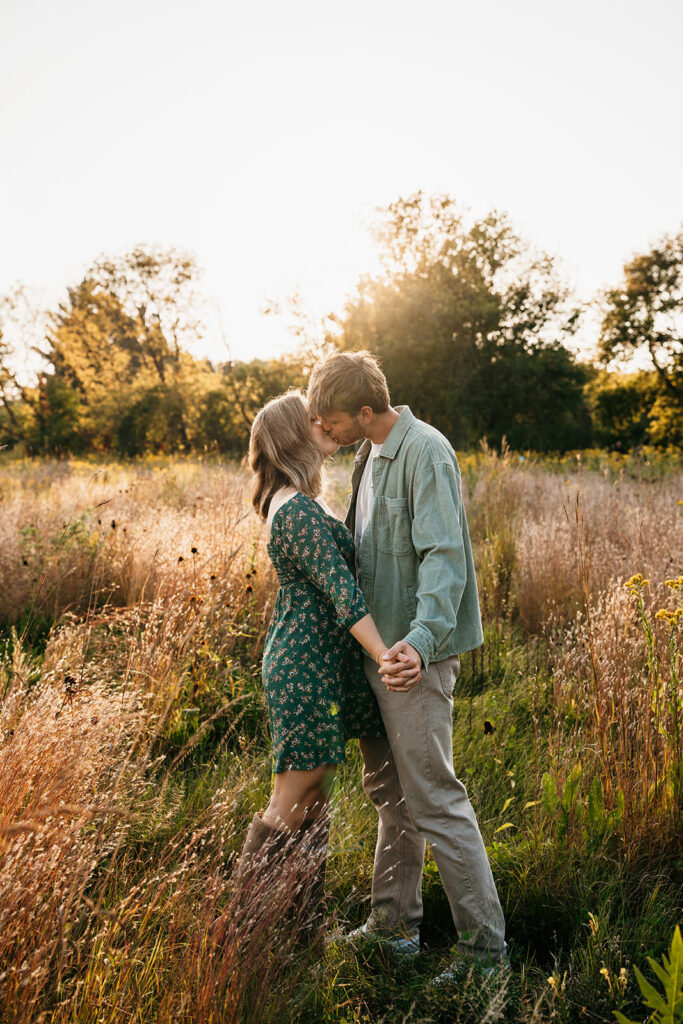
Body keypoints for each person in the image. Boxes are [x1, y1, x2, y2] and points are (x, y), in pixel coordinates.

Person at [306, 351, 508, 978]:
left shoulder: (426, 452)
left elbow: (445, 560)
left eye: (331, 420)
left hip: (413, 659)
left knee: (436, 800)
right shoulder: (368, 455)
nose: (324, 430)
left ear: (365, 412)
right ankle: (393, 928)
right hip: (380, 653)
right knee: (391, 798)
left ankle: (486, 956)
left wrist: (417, 644)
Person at [212, 390, 406, 943]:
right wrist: (384, 654)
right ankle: (246, 932)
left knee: (313, 793)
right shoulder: (294, 509)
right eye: (311, 418)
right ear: (292, 435)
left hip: (316, 661)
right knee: (293, 794)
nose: (323, 422)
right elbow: (343, 594)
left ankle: (297, 931)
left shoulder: (296, 498)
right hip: (304, 664)